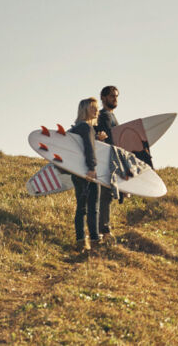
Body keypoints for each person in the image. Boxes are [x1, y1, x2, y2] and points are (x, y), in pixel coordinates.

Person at [70, 97, 101, 251]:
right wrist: (92, 167)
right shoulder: (87, 128)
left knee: (81, 207)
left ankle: (80, 240)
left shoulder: (75, 128)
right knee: (93, 207)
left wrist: (97, 138)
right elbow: (89, 148)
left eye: (97, 108)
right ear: (84, 110)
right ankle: (95, 240)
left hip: (76, 173)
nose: (96, 110)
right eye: (92, 108)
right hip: (88, 171)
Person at [94, 85, 120, 239]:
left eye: (116, 96)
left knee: (107, 195)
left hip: (110, 159)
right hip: (105, 159)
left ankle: (103, 229)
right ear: (103, 98)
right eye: (111, 96)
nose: (115, 99)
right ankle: (104, 230)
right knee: (105, 195)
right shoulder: (103, 115)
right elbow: (107, 138)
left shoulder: (111, 116)